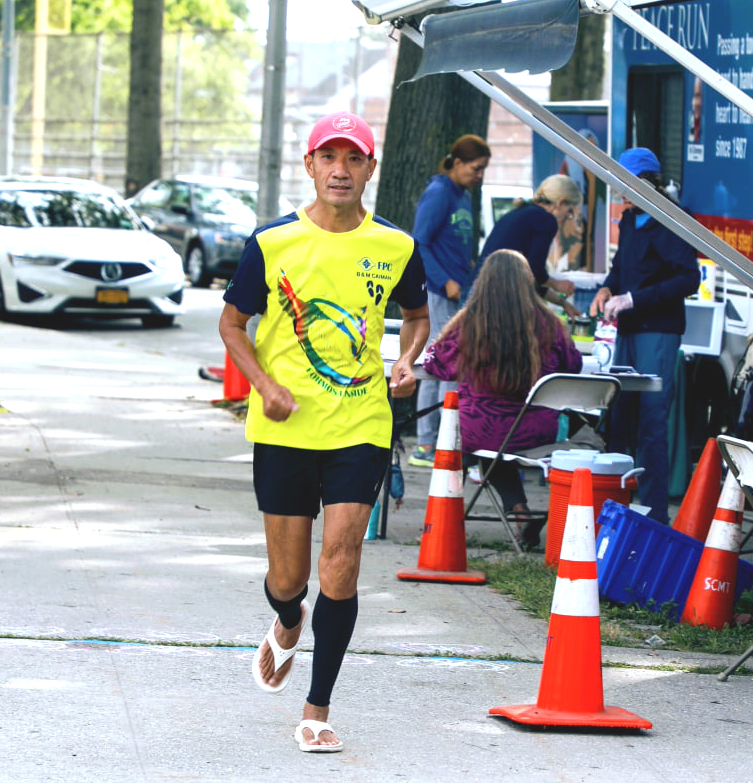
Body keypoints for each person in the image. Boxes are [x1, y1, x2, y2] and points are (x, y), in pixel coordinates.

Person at [218, 111, 429, 752]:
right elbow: (232, 325)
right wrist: (266, 385)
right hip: (285, 426)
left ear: (370, 168)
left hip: (360, 421)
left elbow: (417, 315)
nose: (340, 170)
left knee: (342, 559)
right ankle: (287, 620)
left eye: (353, 158)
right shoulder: (272, 242)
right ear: (308, 165)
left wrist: (407, 358)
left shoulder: (395, 246)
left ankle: (316, 708)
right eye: (328, 157)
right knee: (290, 578)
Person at [423, 249, 583, 550]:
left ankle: (443, 523)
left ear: (484, 283)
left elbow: (435, 363)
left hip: (477, 428)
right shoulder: (549, 324)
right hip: (535, 432)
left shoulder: (471, 322)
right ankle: (521, 516)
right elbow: (572, 365)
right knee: (496, 445)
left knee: (471, 447)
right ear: (528, 283)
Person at [589, 147, 700, 524]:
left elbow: (689, 278)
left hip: (659, 331)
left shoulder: (671, 219)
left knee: (653, 421)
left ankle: (654, 513)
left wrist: (634, 298)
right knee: (620, 412)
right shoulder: (630, 219)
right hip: (630, 329)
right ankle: (614, 504)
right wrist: (607, 288)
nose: (621, 192)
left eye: (626, 183)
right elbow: (621, 268)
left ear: (646, 183)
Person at [409, 134, 491, 468]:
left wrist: (468, 270)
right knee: (438, 363)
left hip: (459, 291)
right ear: (457, 163)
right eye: (476, 168)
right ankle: (427, 443)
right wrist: (445, 281)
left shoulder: (462, 195)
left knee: (454, 366)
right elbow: (419, 244)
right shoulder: (439, 192)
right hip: (441, 293)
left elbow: (455, 243)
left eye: (483, 168)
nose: (480, 174)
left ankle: (447, 439)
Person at [478, 174, 583, 319]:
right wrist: (556, 284)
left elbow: (531, 281)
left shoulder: (521, 212)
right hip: (494, 301)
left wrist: (563, 303)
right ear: (560, 203)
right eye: (570, 211)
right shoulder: (546, 220)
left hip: (476, 293)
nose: (568, 217)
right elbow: (533, 272)